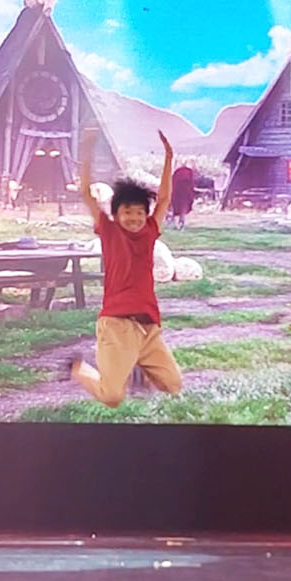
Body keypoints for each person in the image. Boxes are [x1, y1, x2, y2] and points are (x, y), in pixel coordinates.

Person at [68, 129, 184, 407]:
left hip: (148, 328)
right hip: (117, 325)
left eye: (139, 213)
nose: (134, 218)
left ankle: (138, 368)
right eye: (127, 212)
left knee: (173, 385)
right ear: (116, 214)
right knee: (112, 396)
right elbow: (86, 193)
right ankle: (77, 368)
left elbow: (164, 199)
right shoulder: (109, 232)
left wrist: (169, 157)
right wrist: (87, 151)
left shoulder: (150, 231)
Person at [167, 163, 196, 229]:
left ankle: (173, 220)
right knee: (183, 205)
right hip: (184, 190)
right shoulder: (188, 172)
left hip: (177, 189)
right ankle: (181, 221)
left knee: (174, 203)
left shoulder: (178, 173)